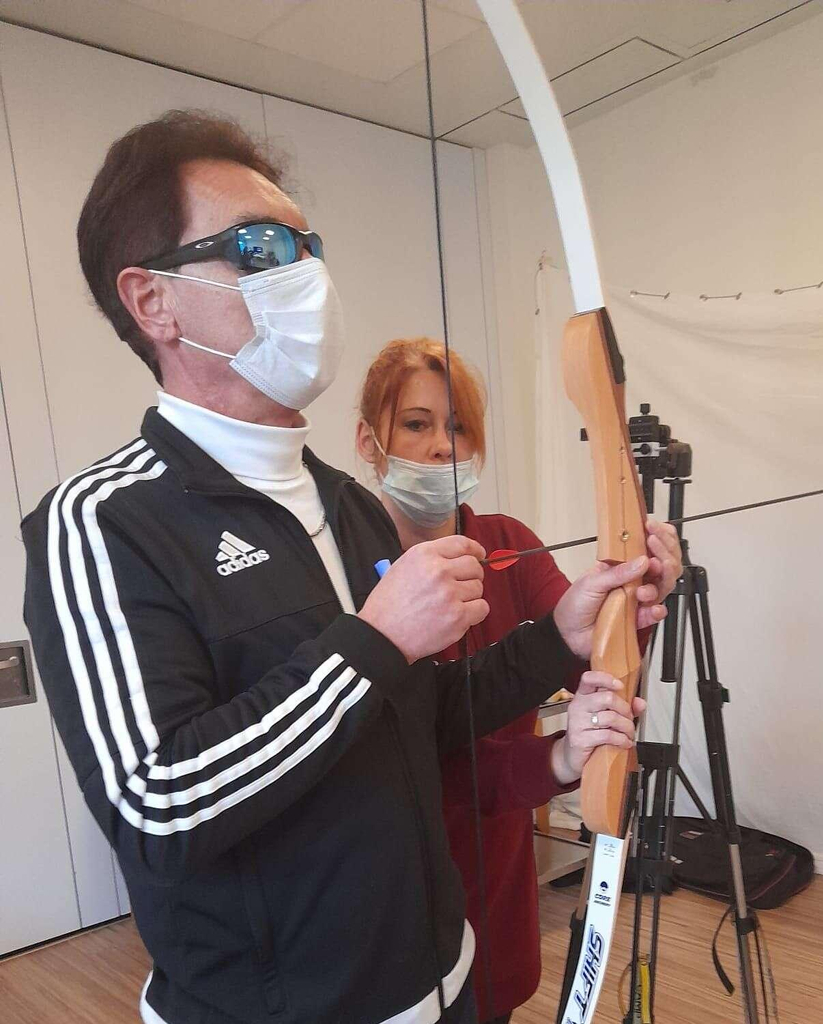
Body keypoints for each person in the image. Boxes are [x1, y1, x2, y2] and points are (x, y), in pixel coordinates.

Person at [21, 110, 678, 1024]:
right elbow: (156, 808)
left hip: (446, 978)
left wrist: (562, 638)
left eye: (304, 244)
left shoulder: (349, 502)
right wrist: (371, 641)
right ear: (153, 301)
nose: (302, 274)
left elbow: (420, 715)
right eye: (257, 247)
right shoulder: (99, 522)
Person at [356, 338, 683, 1024]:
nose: (443, 447)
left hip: (496, 861)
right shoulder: (346, 561)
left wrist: (637, 592)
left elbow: (596, 648)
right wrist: (554, 760)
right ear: (367, 439)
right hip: (387, 878)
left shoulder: (506, 540)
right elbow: (396, 749)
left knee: (490, 999)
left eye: (459, 427)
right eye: (416, 424)